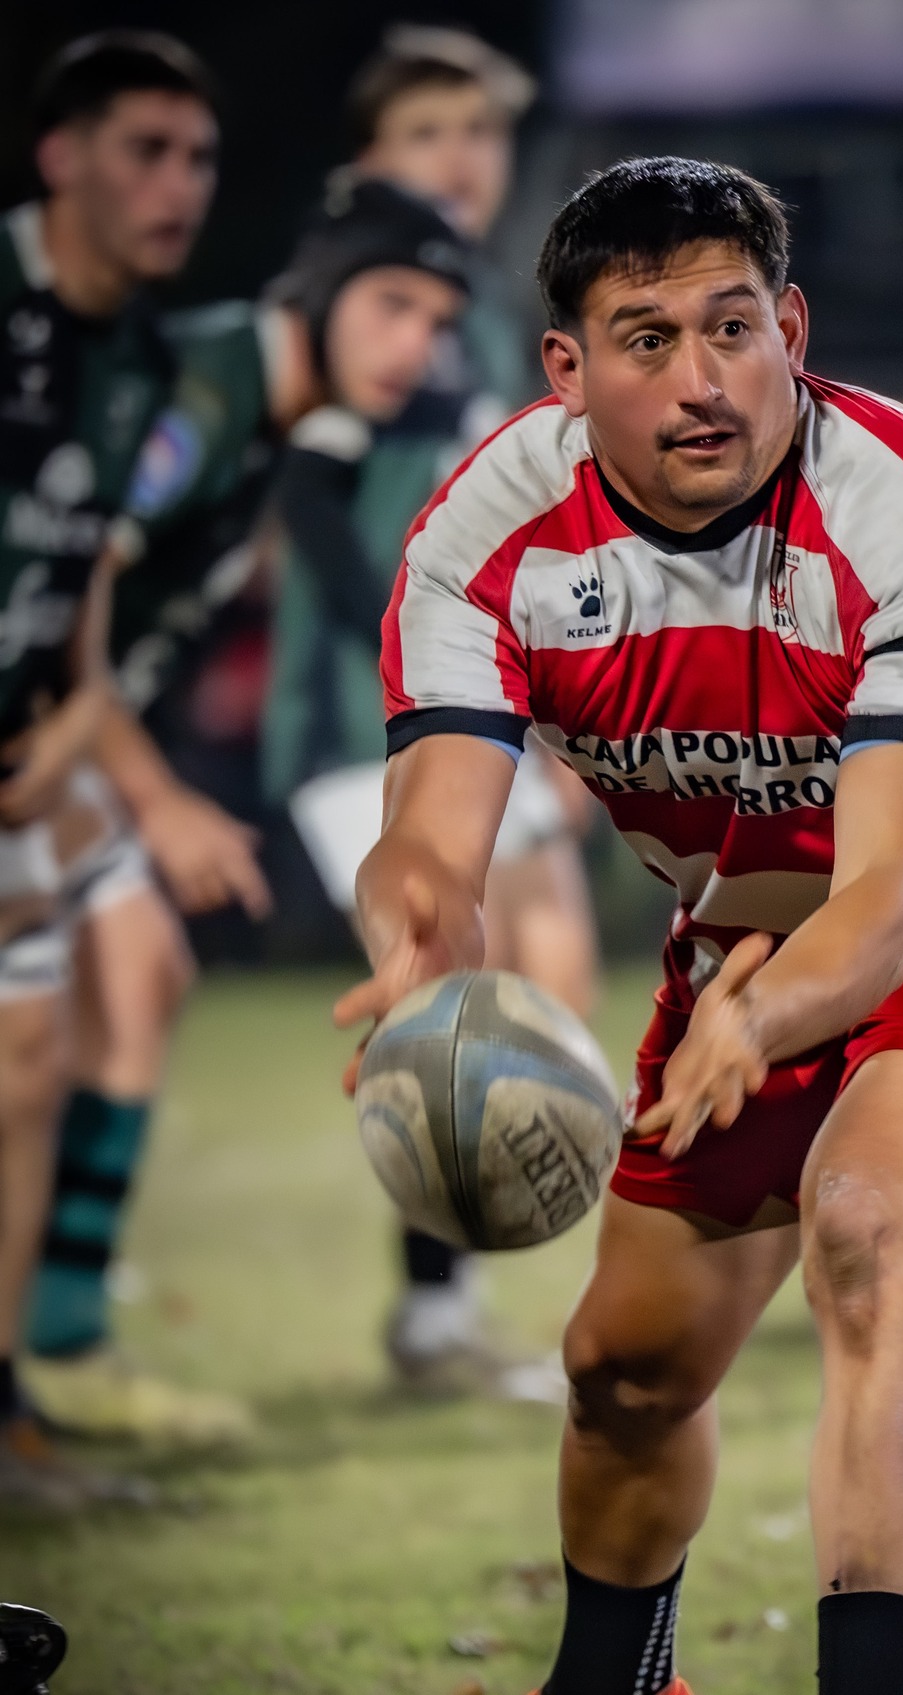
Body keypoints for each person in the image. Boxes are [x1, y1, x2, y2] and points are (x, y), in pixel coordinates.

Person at [338, 157, 903, 1695]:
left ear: (792, 329)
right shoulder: (489, 530)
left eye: (732, 329)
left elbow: (902, 892)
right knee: (625, 1367)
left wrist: (759, 1011)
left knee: (866, 1222)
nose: (701, 380)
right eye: (646, 339)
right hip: (759, 931)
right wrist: (415, 927)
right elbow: (432, 825)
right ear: (565, 371)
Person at [19, 175, 474, 1453]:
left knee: (138, 971)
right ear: (321, 296)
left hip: (63, 745)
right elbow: (58, 577)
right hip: (46, 741)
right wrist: (154, 798)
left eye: (435, 320)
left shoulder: (294, 422)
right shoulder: (209, 390)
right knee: (46, 1028)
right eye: (391, 306)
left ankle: (58, 1344)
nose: (413, 345)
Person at [278, 26, 599, 1396]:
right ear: (368, 159)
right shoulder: (336, 294)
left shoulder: (474, 308)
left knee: (557, 972)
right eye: (426, 132)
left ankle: (462, 1288)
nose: (460, 158)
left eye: (477, 131)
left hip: (473, 706)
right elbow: (294, 490)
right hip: (361, 713)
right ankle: (428, 1319)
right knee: (446, 984)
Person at [0, 31, 267, 1499]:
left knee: (33, 1055)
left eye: (198, 158)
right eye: (142, 150)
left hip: (30, 758)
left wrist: (69, 705)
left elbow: (77, 583)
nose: (177, 185)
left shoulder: (143, 359)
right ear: (59, 155)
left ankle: (27, 1394)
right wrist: (150, 794)